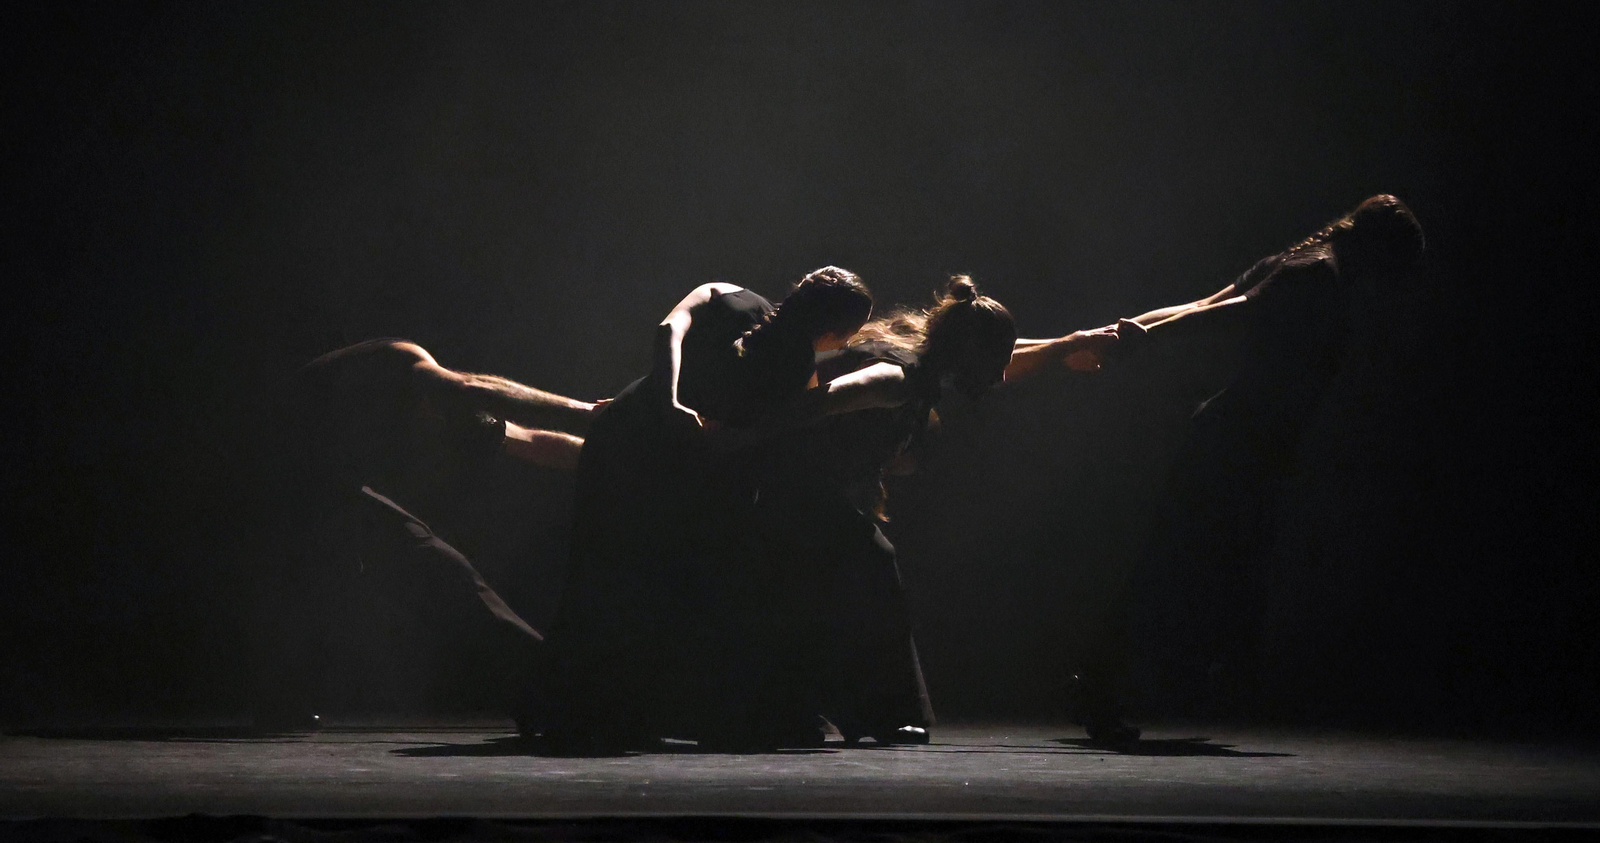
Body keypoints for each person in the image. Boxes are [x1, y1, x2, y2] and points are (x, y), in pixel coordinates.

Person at [1072, 195, 1427, 746]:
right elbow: (1227, 312)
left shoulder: (1299, 259)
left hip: (1242, 434)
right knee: (1183, 561)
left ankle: (1132, 678)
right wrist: (1145, 335)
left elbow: (1201, 304)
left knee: (1190, 559)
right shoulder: (1318, 273)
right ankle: (1112, 682)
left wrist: (1133, 329)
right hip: (1244, 439)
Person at [542, 268, 874, 751]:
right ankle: (623, 710)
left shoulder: (729, 295)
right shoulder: (796, 361)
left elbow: (668, 331)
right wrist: (673, 404)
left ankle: (585, 708)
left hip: (630, 436)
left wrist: (664, 395)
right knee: (655, 581)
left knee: (605, 571)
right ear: (838, 333)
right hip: (671, 462)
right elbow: (762, 434)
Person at [732, 275, 1032, 746]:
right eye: (996, 361)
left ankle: (827, 708)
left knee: (854, 572)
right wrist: (730, 443)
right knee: (871, 564)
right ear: (969, 352)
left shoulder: (920, 365)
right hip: (784, 488)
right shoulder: (898, 377)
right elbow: (811, 408)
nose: (999, 376)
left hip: (808, 491)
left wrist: (1070, 346)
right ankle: (879, 712)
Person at [248, 338, 598, 731]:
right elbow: (471, 388)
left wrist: (613, 453)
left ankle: (556, 689)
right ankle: (562, 690)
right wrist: (588, 412)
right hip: (266, 479)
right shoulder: (402, 359)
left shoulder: (460, 418)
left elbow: (537, 443)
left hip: (326, 490)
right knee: (421, 568)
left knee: (434, 566)